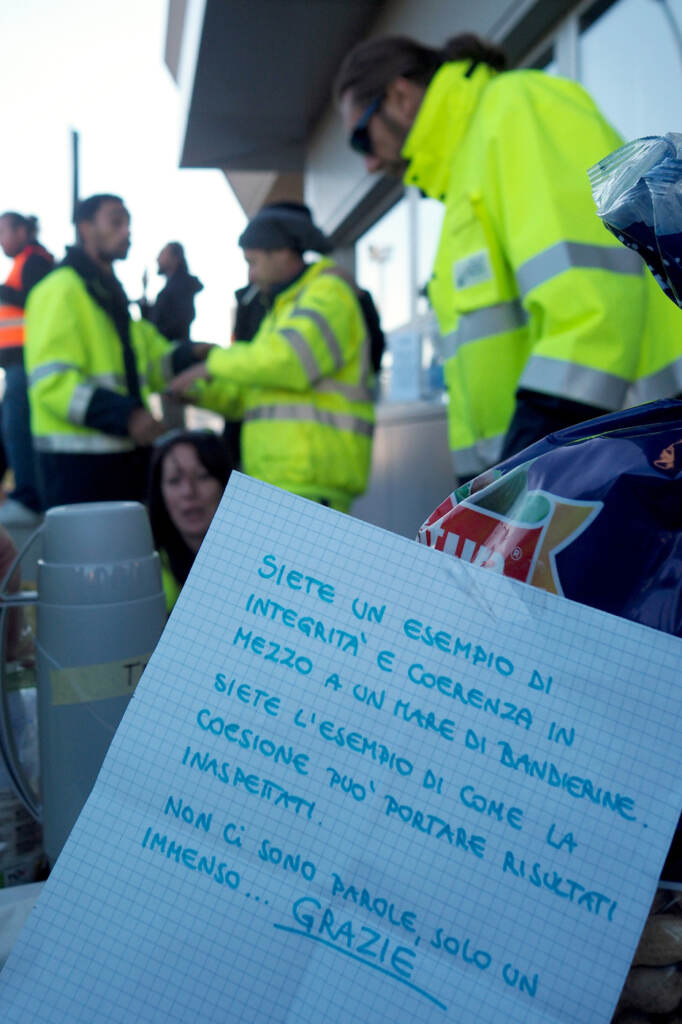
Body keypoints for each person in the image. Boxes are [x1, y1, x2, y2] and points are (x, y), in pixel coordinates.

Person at [335, 33, 682, 481]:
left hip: (629, 457)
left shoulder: (515, 107)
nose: (368, 164)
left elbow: (591, 305)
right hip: (588, 462)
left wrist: (524, 473)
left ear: (400, 97)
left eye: (362, 139)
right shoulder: (470, 170)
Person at [169, 202, 374, 513]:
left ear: (282, 252)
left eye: (252, 261)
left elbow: (289, 362)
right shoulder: (280, 310)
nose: (250, 275)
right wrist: (201, 394)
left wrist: (211, 364)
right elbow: (251, 396)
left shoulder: (328, 294)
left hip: (310, 479)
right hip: (282, 480)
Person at [24, 194, 207, 509]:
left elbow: (153, 359)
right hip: (78, 471)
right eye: (116, 221)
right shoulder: (58, 290)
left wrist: (193, 355)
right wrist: (129, 416)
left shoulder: (108, 293)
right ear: (85, 227)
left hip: (122, 460)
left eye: (128, 223)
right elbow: (52, 385)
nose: (127, 232)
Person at [0, 212, 54, 524]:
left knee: (18, 427)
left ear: (22, 231)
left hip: (26, 362)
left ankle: (28, 498)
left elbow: (38, 304)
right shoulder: (28, 260)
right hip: (19, 363)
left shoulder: (34, 261)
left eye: (4, 231)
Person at [148, 429, 232, 612]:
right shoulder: (144, 573)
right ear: (159, 493)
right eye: (175, 480)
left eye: (203, 477)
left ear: (226, 484)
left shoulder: (263, 564)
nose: (188, 491)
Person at [139, 241, 203, 342]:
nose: (157, 259)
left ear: (175, 258)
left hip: (171, 351)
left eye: (162, 254)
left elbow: (173, 324)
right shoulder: (175, 287)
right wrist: (144, 290)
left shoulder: (181, 287)